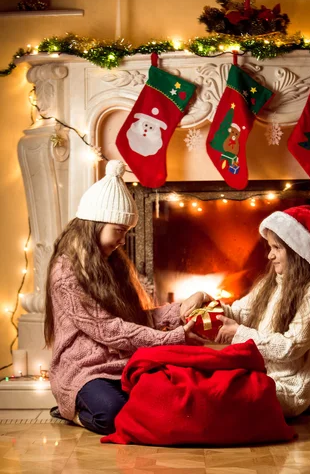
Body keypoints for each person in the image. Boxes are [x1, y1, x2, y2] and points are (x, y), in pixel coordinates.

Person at [45, 160, 201, 435]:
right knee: (114, 415)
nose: (122, 239)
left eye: (126, 232)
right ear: (95, 223)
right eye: (119, 230)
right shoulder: (65, 271)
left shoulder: (112, 262)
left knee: (165, 402)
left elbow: (135, 318)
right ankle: (72, 412)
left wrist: (179, 309)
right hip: (84, 369)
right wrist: (169, 338)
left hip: (123, 361)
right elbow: (106, 329)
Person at [189, 205, 310, 418]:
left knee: (211, 399)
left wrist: (238, 333)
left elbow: (290, 347)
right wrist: (204, 299)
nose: (270, 256)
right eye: (270, 248)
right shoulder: (273, 283)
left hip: (287, 390)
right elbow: (237, 312)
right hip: (257, 375)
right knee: (195, 381)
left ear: (297, 251)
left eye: (277, 248)